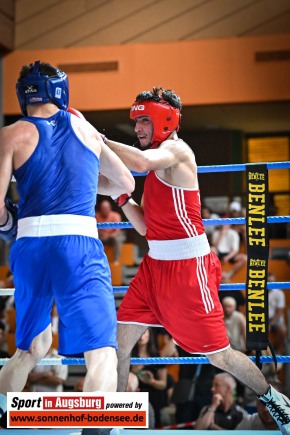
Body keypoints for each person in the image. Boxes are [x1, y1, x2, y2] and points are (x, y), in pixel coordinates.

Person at [105, 86, 290, 434]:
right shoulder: (157, 158)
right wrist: (121, 195)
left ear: (165, 120)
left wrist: (96, 139)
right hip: (153, 268)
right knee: (121, 342)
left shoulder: (177, 150)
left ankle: (274, 400)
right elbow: (147, 226)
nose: (139, 128)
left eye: (144, 120)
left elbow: (141, 163)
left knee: (218, 354)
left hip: (190, 270)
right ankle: (117, 420)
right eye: (137, 121)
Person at [0, 60, 135, 433]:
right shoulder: (84, 128)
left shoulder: (11, 134)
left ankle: (1, 417)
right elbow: (125, 182)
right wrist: (87, 180)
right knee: (102, 354)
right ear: (61, 91)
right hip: (78, 245)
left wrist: (10, 225)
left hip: (28, 245)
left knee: (32, 348)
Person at [96, 199, 124, 264]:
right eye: (103, 208)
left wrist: (108, 235)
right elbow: (94, 229)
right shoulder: (96, 215)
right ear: (100, 209)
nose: (104, 210)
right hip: (101, 236)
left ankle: (116, 260)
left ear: (109, 208)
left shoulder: (116, 215)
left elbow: (117, 231)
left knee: (118, 239)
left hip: (112, 236)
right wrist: (102, 234)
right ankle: (96, 258)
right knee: (94, 239)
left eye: (106, 208)